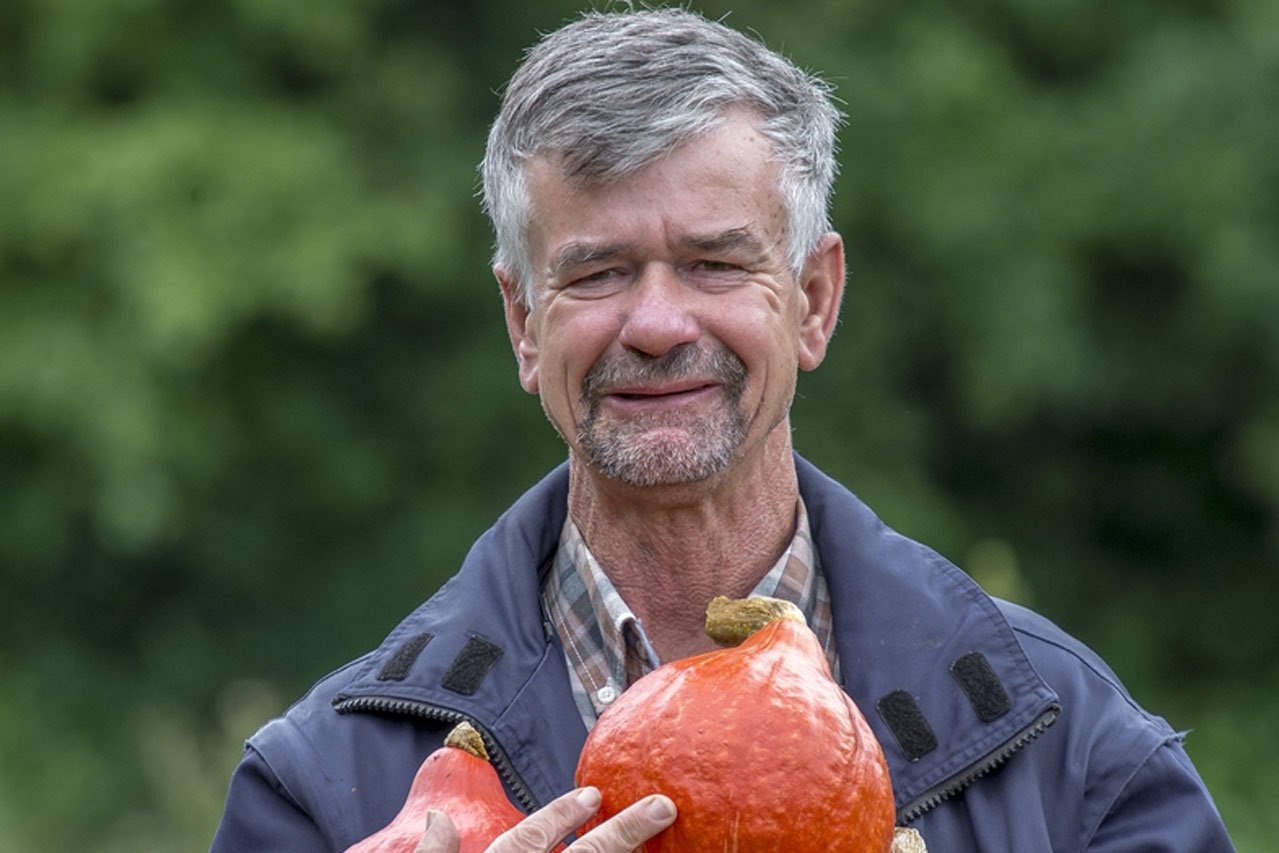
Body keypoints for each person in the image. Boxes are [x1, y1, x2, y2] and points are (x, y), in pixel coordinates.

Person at [212, 8, 1234, 852]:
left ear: (814, 299)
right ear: (524, 324)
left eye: (713, 263)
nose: (657, 325)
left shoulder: (1076, 754)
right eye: (598, 272)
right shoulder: (316, 793)